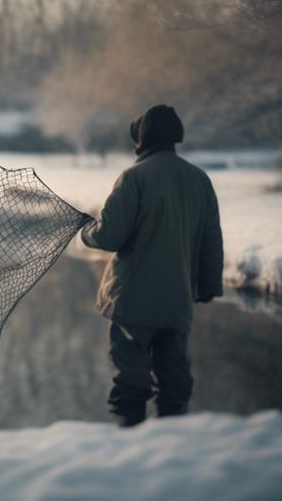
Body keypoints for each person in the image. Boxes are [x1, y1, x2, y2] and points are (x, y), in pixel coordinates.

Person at [81, 105, 224, 427]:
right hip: (177, 302)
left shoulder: (134, 178)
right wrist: (207, 288)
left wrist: (86, 232)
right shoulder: (199, 179)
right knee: (174, 378)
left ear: (141, 140)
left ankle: (130, 441)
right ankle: (173, 443)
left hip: (134, 303)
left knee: (130, 382)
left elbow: (108, 237)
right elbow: (211, 240)